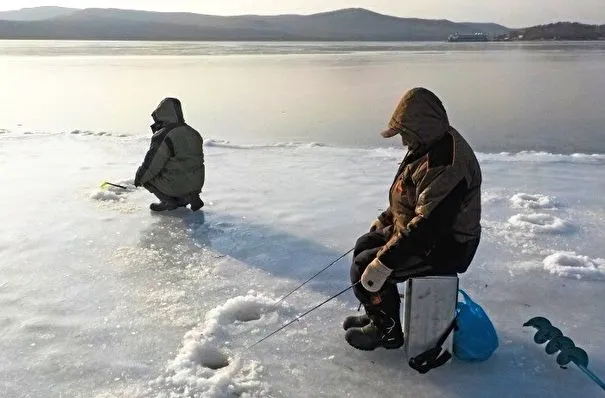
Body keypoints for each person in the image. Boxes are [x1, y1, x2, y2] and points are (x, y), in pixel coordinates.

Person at [344, 87, 482, 351]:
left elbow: (427, 228)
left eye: (405, 133)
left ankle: (387, 333)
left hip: (447, 245)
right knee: (365, 244)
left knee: (367, 267)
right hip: (418, 231)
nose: (404, 141)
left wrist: (383, 263)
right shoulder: (428, 144)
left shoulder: (446, 164)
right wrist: (384, 221)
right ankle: (380, 314)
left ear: (421, 128)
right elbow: (406, 196)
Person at [134, 97, 205, 212]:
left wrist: (139, 178)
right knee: (183, 171)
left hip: (177, 185)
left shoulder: (164, 135)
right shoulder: (193, 132)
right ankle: (192, 197)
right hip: (196, 184)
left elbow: (151, 164)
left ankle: (168, 202)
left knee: (146, 177)